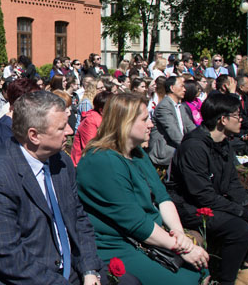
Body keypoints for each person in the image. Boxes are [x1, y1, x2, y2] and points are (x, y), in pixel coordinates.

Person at [0, 91, 136, 285]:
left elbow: (78, 219)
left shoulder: (60, 162)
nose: (70, 131)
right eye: (62, 127)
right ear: (34, 135)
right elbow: (9, 257)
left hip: (69, 267)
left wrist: (89, 269)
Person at [77, 93, 208, 285]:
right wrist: (183, 249)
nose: (151, 125)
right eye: (145, 119)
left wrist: (180, 234)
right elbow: (134, 222)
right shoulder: (101, 161)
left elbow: (163, 197)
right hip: (117, 244)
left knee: (201, 270)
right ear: (125, 123)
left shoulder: (136, 153)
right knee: (188, 280)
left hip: (147, 238)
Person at [167, 93, 248, 285]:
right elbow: (202, 195)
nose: (241, 119)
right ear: (223, 119)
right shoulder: (194, 147)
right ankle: (225, 281)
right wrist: (245, 214)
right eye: (237, 115)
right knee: (240, 230)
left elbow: (232, 183)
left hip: (212, 199)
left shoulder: (223, 143)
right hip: (191, 207)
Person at [147, 76, 196, 168]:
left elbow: (190, 127)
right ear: (172, 88)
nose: (185, 89)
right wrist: (190, 147)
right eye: (181, 86)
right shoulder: (164, 106)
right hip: (165, 154)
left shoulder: (180, 106)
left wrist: (200, 140)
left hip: (178, 149)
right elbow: (173, 132)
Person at [70, 91, 111, 167]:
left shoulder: (106, 119)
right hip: (83, 164)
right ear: (102, 110)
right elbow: (91, 147)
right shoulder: (90, 121)